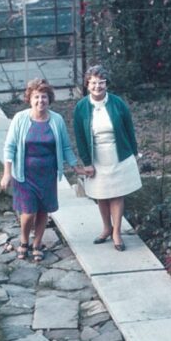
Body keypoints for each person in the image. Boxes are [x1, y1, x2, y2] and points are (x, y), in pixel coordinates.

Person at [1, 78, 84, 262]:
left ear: (49, 99)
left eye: (44, 97)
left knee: (43, 211)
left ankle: (37, 243)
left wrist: (75, 166)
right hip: (24, 174)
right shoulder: (20, 119)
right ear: (30, 99)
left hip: (48, 174)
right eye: (36, 97)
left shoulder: (57, 120)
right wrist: (7, 173)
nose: (40, 101)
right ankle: (24, 240)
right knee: (28, 212)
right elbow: (10, 147)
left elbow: (65, 147)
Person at [73, 65, 141, 252]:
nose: (97, 86)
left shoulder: (118, 103)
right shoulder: (80, 108)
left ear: (106, 84)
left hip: (118, 154)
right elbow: (79, 136)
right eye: (93, 83)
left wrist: (134, 152)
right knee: (101, 195)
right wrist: (87, 162)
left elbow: (129, 129)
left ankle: (117, 232)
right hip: (96, 157)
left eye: (101, 82)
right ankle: (106, 228)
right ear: (87, 85)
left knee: (117, 194)